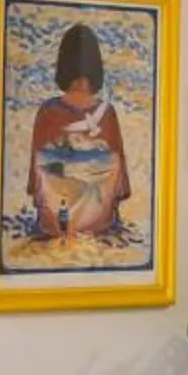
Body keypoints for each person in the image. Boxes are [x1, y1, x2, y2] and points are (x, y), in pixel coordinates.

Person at [24, 23, 133, 245]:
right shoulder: (108, 113)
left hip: (55, 220)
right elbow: (120, 179)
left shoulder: (48, 111)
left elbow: (36, 178)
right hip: (98, 219)